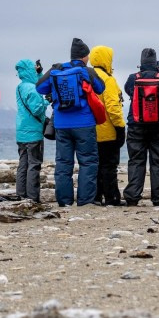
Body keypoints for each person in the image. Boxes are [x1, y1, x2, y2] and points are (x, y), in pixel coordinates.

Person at [36, 37, 105, 207]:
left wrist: (52, 70)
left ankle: (64, 202)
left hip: (62, 125)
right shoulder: (87, 71)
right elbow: (100, 87)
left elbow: (39, 87)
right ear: (84, 56)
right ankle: (85, 201)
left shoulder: (58, 70)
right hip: (84, 123)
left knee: (63, 163)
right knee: (88, 162)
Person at [123, 48, 159, 207]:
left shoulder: (133, 78)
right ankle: (158, 199)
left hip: (136, 125)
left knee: (136, 160)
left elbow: (129, 91)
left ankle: (133, 197)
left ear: (141, 63)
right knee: (158, 162)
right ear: (155, 62)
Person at [90, 46, 126, 206]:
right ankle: (112, 197)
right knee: (109, 166)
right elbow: (113, 107)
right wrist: (120, 127)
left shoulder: (87, 77)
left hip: (90, 130)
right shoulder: (107, 79)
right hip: (107, 130)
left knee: (94, 166)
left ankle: (96, 197)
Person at [14, 59, 49, 203]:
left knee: (23, 164)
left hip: (21, 131)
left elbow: (38, 84)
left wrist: (40, 73)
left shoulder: (20, 87)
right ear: (29, 70)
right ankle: (33, 198)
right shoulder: (32, 89)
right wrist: (46, 101)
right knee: (34, 165)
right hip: (33, 132)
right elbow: (37, 108)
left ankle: (21, 195)